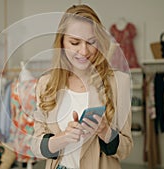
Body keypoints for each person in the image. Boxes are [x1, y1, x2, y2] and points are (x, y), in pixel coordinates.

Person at [31, 4, 133, 169]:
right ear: (62, 43)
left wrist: (104, 132)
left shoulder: (119, 82)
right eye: (75, 42)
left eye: (91, 42)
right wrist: (63, 138)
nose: (84, 51)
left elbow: (126, 148)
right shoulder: (46, 84)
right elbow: (36, 146)